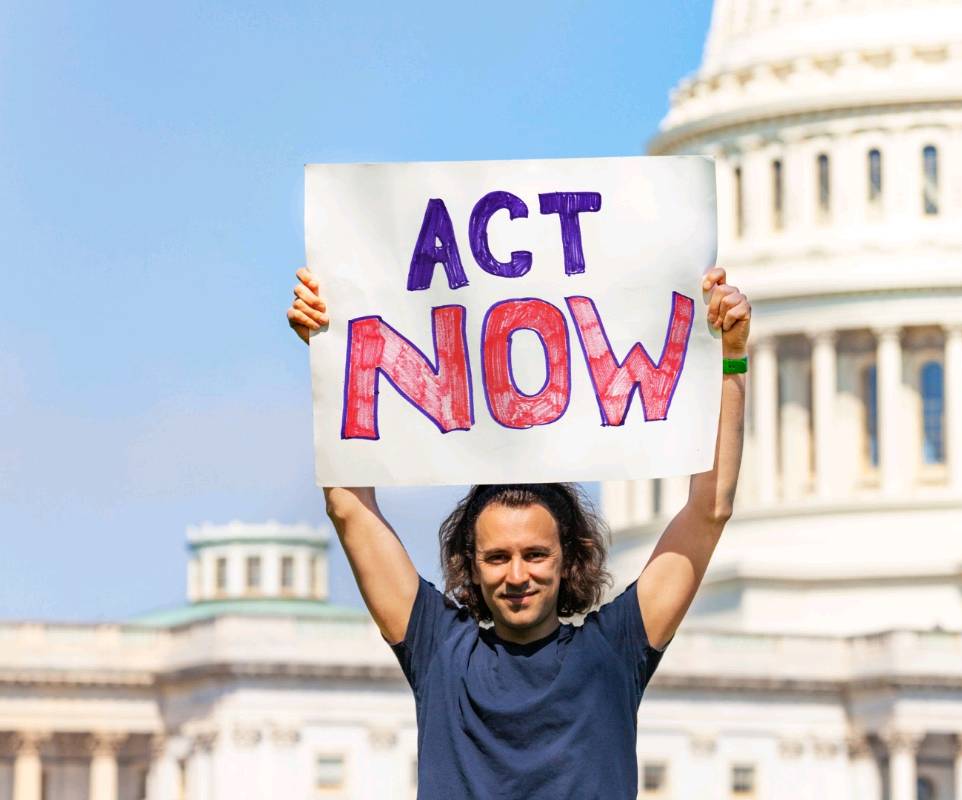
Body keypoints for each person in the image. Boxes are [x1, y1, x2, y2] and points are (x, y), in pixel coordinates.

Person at [285, 265, 750, 799]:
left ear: (569, 558)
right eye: (497, 557)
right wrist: (327, 346)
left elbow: (709, 509)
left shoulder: (613, 652)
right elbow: (347, 505)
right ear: (471, 565)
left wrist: (731, 359)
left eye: (535, 554)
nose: (517, 575)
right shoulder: (438, 647)